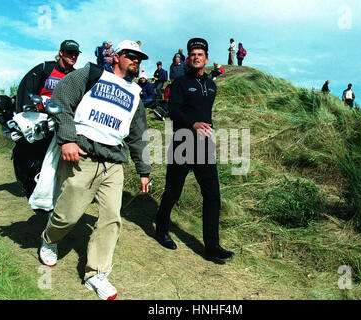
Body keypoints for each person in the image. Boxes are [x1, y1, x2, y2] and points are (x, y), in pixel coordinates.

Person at [38, 40, 152, 300]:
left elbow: (138, 136)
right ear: (116, 57)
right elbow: (60, 100)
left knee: (111, 217)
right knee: (68, 215)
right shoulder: (92, 73)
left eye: (140, 58)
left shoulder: (135, 94)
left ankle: (97, 273)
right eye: (131, 55)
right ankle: (49, 238)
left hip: (113, 162)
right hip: (82, 156)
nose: (136, 61)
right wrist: (67, 138)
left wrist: (144, 171)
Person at [154, 37, 235, 260]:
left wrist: (208, 128)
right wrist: (193, 124)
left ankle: (212, 245)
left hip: (204, 146)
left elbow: (205, 114)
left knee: (213, 196)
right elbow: (174, 110)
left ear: (206, 59)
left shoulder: (211, 86)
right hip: (182, 142)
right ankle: (161, 229)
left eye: (200, 54)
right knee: (173, 191)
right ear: (188, 59)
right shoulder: (179, 83)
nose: (196, 57)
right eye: (193, 54)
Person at [14, 39, 80, 198]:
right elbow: (26, 89)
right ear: (61, 53)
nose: (73, 56)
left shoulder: (76, 76)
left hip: (62, 121)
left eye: (76, 54)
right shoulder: (45, 68)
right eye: (69, 53)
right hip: (39, 119)